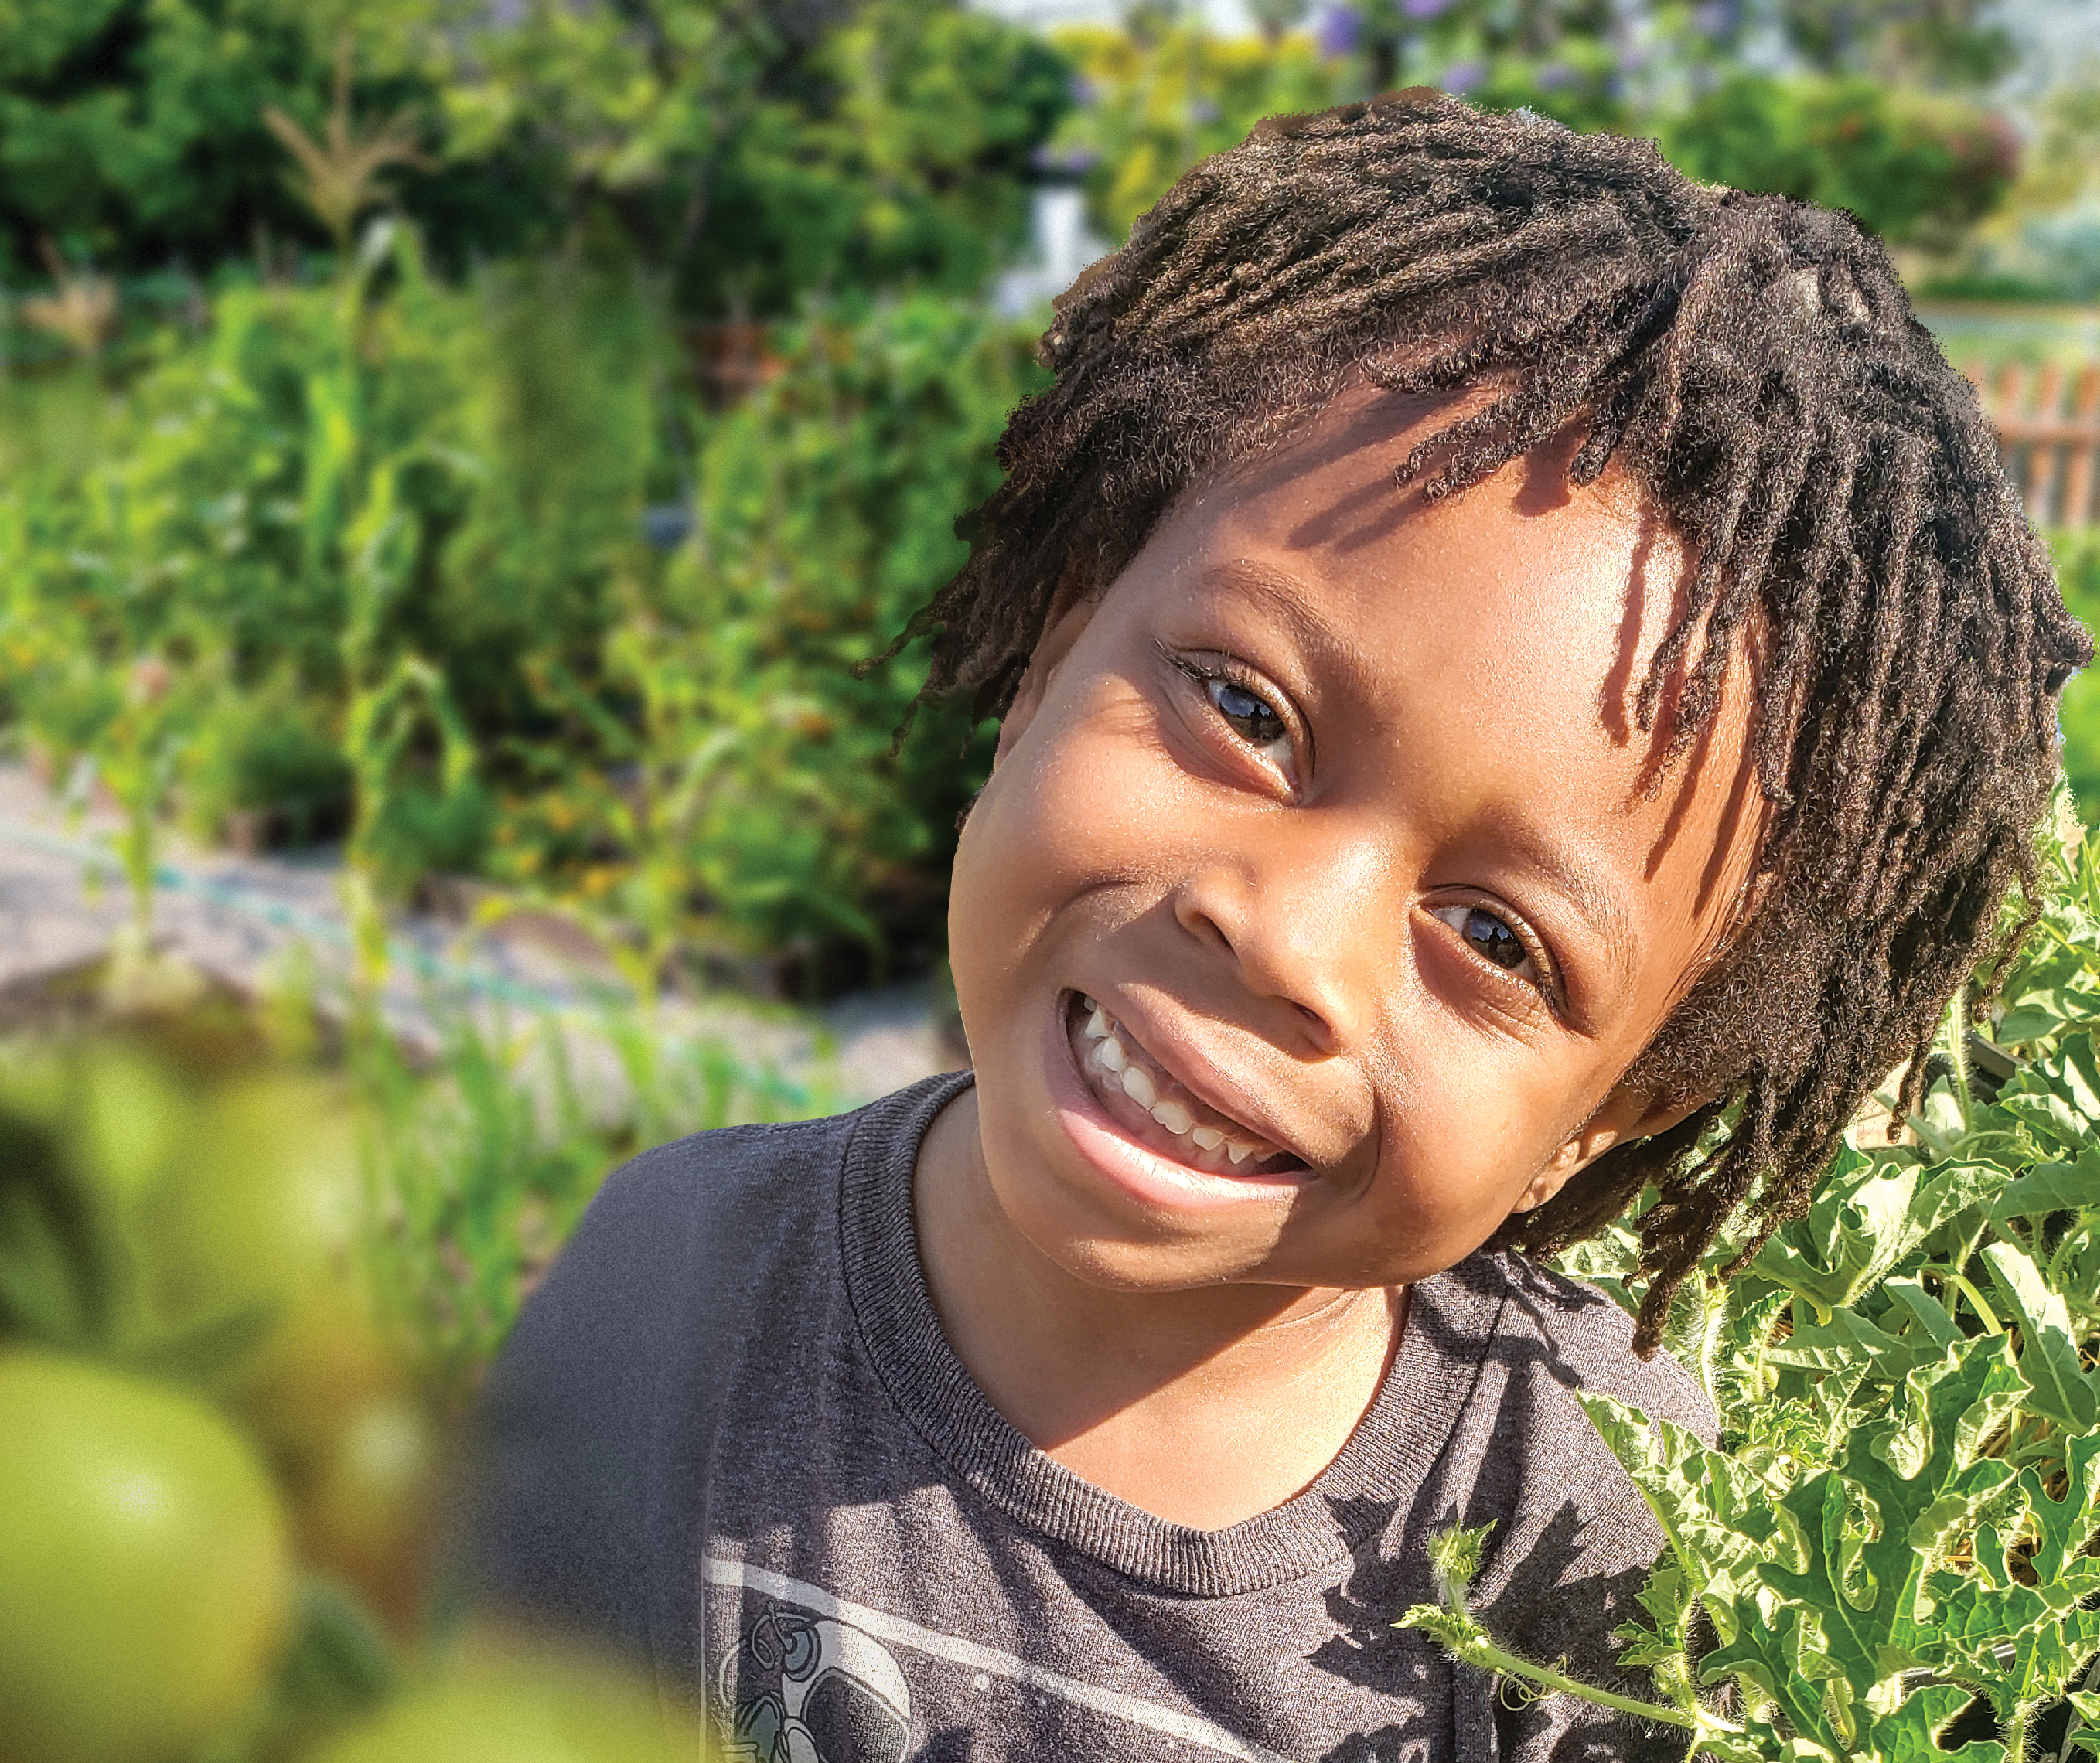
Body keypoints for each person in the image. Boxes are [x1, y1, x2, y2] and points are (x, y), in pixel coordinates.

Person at [455, 92, 2090, 1762]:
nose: (1285, 937)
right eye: (1246, 708)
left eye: (1501, 938)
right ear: (1049, 661)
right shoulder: (672, 1286)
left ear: (1609, 1109)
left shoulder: (1584, 1520)